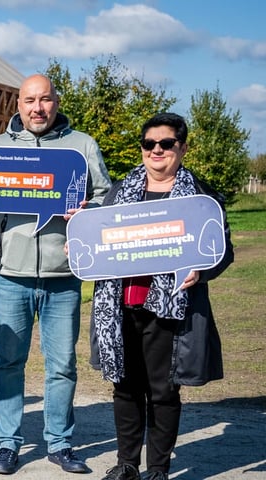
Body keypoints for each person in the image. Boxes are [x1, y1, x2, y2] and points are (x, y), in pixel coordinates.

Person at [0, 74, 111, 475]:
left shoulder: (82, 146)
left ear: (56, 102)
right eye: (30, 100)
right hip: (8, 274)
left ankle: (60, 444)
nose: (38, 108)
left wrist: (87, 215)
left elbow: (106, 199)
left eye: (45, 99)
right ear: (18, 104)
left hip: (63, 275)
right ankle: (7, 444)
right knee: (8, 362)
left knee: (62, 365)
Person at [92, 113, 233, 480]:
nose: (156, 150)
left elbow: (223, 251)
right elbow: (98, 237)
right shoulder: (119, 192)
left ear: (182, 148)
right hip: (122, 304)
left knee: (163, 391)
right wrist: (81, 247)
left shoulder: (201, 198)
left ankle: (158, 469)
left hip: (169, 308)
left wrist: (202, 270)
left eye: (166, 143)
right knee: (125, 387)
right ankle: (127, 464)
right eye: (149, 143)